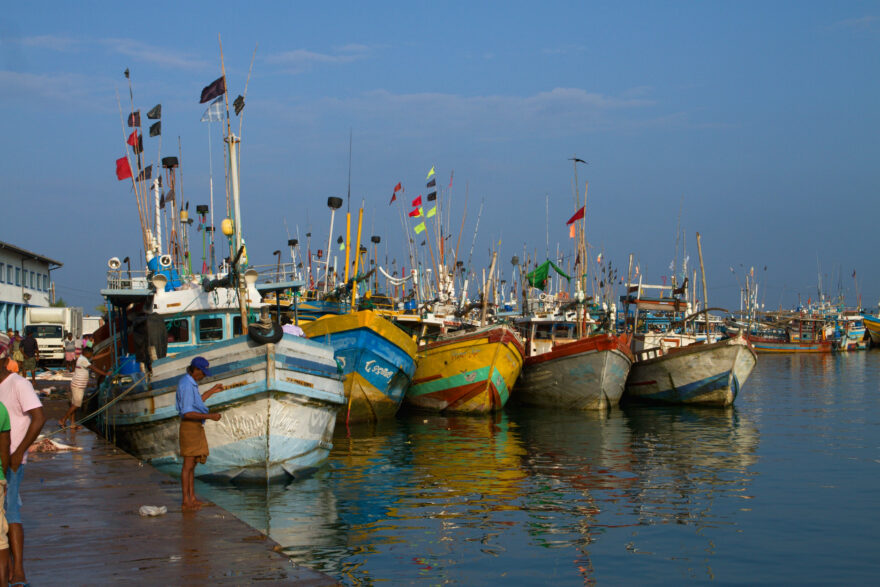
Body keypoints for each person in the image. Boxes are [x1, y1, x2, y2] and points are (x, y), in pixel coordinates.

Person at [0, 338, 46, 587]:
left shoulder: (18, 383)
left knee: (12, 510)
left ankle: (18, 571)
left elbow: (39, 418)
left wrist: (19, 452)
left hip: (13, 460)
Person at [176, 357, 223, 511]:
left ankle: (192, 498)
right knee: (188, 465)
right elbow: (188, 412)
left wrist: (212, 391)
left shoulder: (190, 383)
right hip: (190, 427)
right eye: (202, 373)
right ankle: (186, 501)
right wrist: (210, 416)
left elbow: (196, 404)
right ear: (195, 370)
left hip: (195, 427)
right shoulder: (187, 385)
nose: (203, 376)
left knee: (193, 464)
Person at [60, 347, 107, 430]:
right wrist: (106, 374)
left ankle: (72, 423)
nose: (92, 355)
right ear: (87, 353)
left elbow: (95, 358)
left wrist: (107, 353)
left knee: (74, 404)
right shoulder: (83, 360)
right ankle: (63, 419)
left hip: (77, 384)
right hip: (78, 385)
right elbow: (93, 368)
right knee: (77, 405)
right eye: (91, 354)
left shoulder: (84, 358)